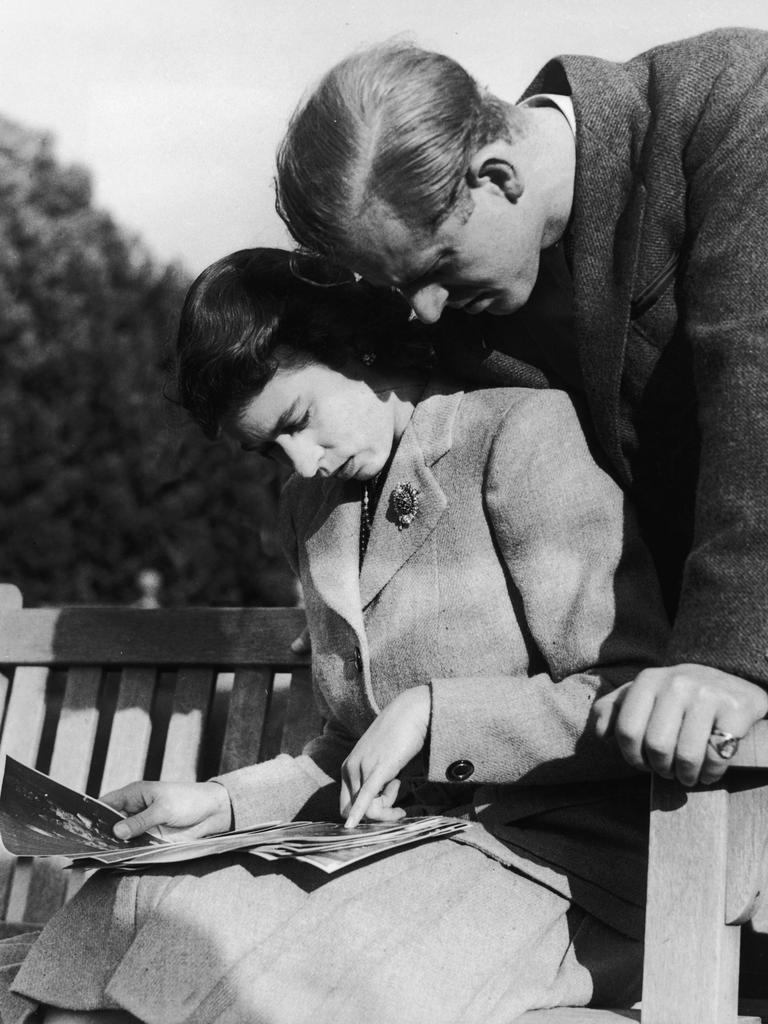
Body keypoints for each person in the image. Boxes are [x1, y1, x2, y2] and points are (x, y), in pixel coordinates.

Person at [0, 248, 669, 1024]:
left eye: (298, 421)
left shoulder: (518, 436)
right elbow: (343, 748)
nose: (301, 463)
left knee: (243, 953)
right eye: (268, 449)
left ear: (357, 348)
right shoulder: (315, 511)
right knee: (134, 895)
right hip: (405, 855)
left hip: (566, 872)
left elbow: (628, 693)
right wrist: (217, 805)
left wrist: (433, 714)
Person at [274, 28, 768, 787]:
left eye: (436, 266)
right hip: (647, 730)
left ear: (497, 174)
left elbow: (757, 387)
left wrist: (728, 658)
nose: (430, 315)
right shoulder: (465, 304)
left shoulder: (731, 102)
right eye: (399, 289)